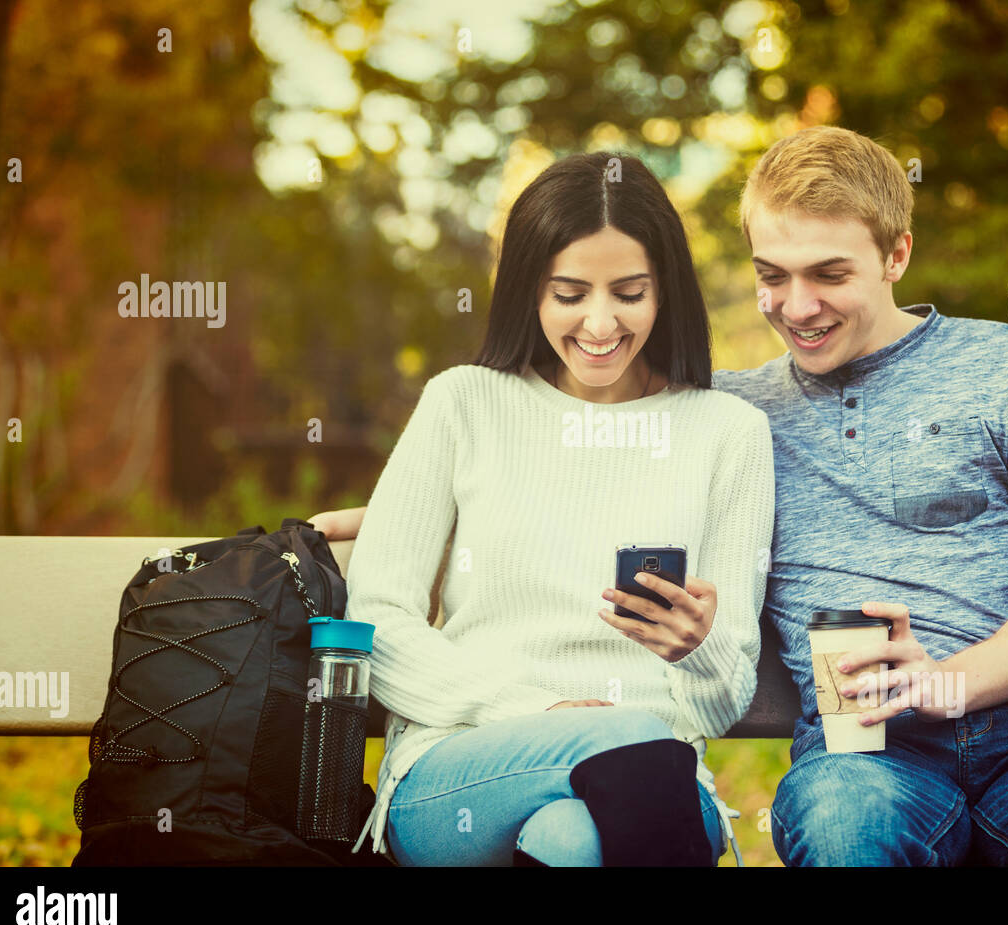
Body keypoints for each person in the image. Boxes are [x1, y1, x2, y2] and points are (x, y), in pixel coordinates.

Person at [318, 125, 1008, 866]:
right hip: (857, 754)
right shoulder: (717, 409)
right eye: (772, 274)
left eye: (830, 274)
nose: (797, 305)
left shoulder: (995, 372)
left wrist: (949, 682)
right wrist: (407, 515)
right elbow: (556, 450)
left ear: (898, 254)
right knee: (835, 825)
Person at [330, 150, 774, 867]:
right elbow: (378, 621)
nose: (599, 324)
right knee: (624, 742)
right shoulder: (463, 404)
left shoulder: (728, 433)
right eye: (569, 293)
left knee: (573, 840)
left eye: (629, 292)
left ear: (666, 294)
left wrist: (701, 650)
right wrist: (541, 714)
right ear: (528, 292)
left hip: (654, 781)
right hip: (465, 764)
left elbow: (720, 703)